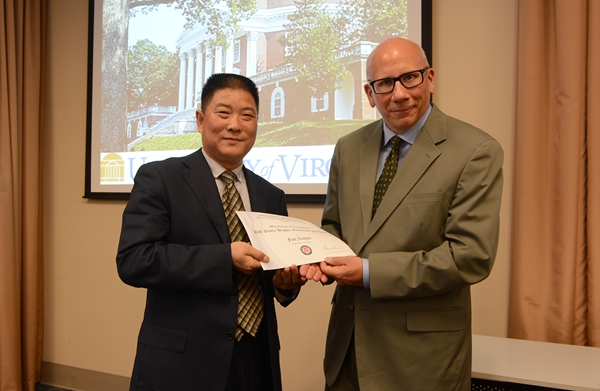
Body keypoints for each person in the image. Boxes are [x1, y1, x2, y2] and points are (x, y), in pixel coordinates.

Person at [315, 37, 504, 390]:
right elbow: (334, 225)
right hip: (347, 351)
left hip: (421, 361)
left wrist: (368, 272)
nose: (399, 94)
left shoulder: (475, 150)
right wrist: (314, 257)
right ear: (370, 94)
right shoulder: (348, 148)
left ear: (430, 79)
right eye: (385, 83)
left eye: (410, 78)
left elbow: (470, 256)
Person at [116, 73, 309, 391]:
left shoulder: (271, 195)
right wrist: (224, 258)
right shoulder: (161, 178)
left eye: (247, 115)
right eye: (223, 113)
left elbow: (273, 275)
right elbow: (135, 260)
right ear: (200, 119)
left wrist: (284, 285)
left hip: (255, 360)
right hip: (183, 364)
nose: (235, 125)